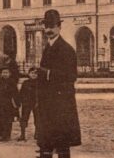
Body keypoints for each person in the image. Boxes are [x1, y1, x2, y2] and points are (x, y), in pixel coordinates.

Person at [37, 9, 81, 158]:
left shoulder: (66, 49)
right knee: (46, 147)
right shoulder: (48, 47)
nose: (48, 30)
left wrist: (47, 73)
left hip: (61, 106)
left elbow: (71, 76)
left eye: (52, 26)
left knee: (62, 147)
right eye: (46, 26)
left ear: (59, 27)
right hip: (47, 105)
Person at [0, 66, 20, 142]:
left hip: (9, 104)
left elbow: (15, 94)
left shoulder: (12, 82)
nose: (5, 74)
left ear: (9, 74)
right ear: (1, 74)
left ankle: (7, 135)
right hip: (0, 103)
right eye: (3, 72)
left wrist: (16, 105)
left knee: (8, 120)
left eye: (6, 72)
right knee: (0, 120)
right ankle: (0, 135)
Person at [18, 67, 39, 141]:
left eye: (35, 73)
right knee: (24, 118)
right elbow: (21, 93)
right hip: (26, 103)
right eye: (32, 73)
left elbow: (42, 94)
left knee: (38, 119)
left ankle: (37, 134)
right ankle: (22, 134)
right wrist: (21, 101)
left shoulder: (39, 83)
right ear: (29, 74)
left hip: (36, 104)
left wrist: (39, 102)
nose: (34, 75)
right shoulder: (25, 83)